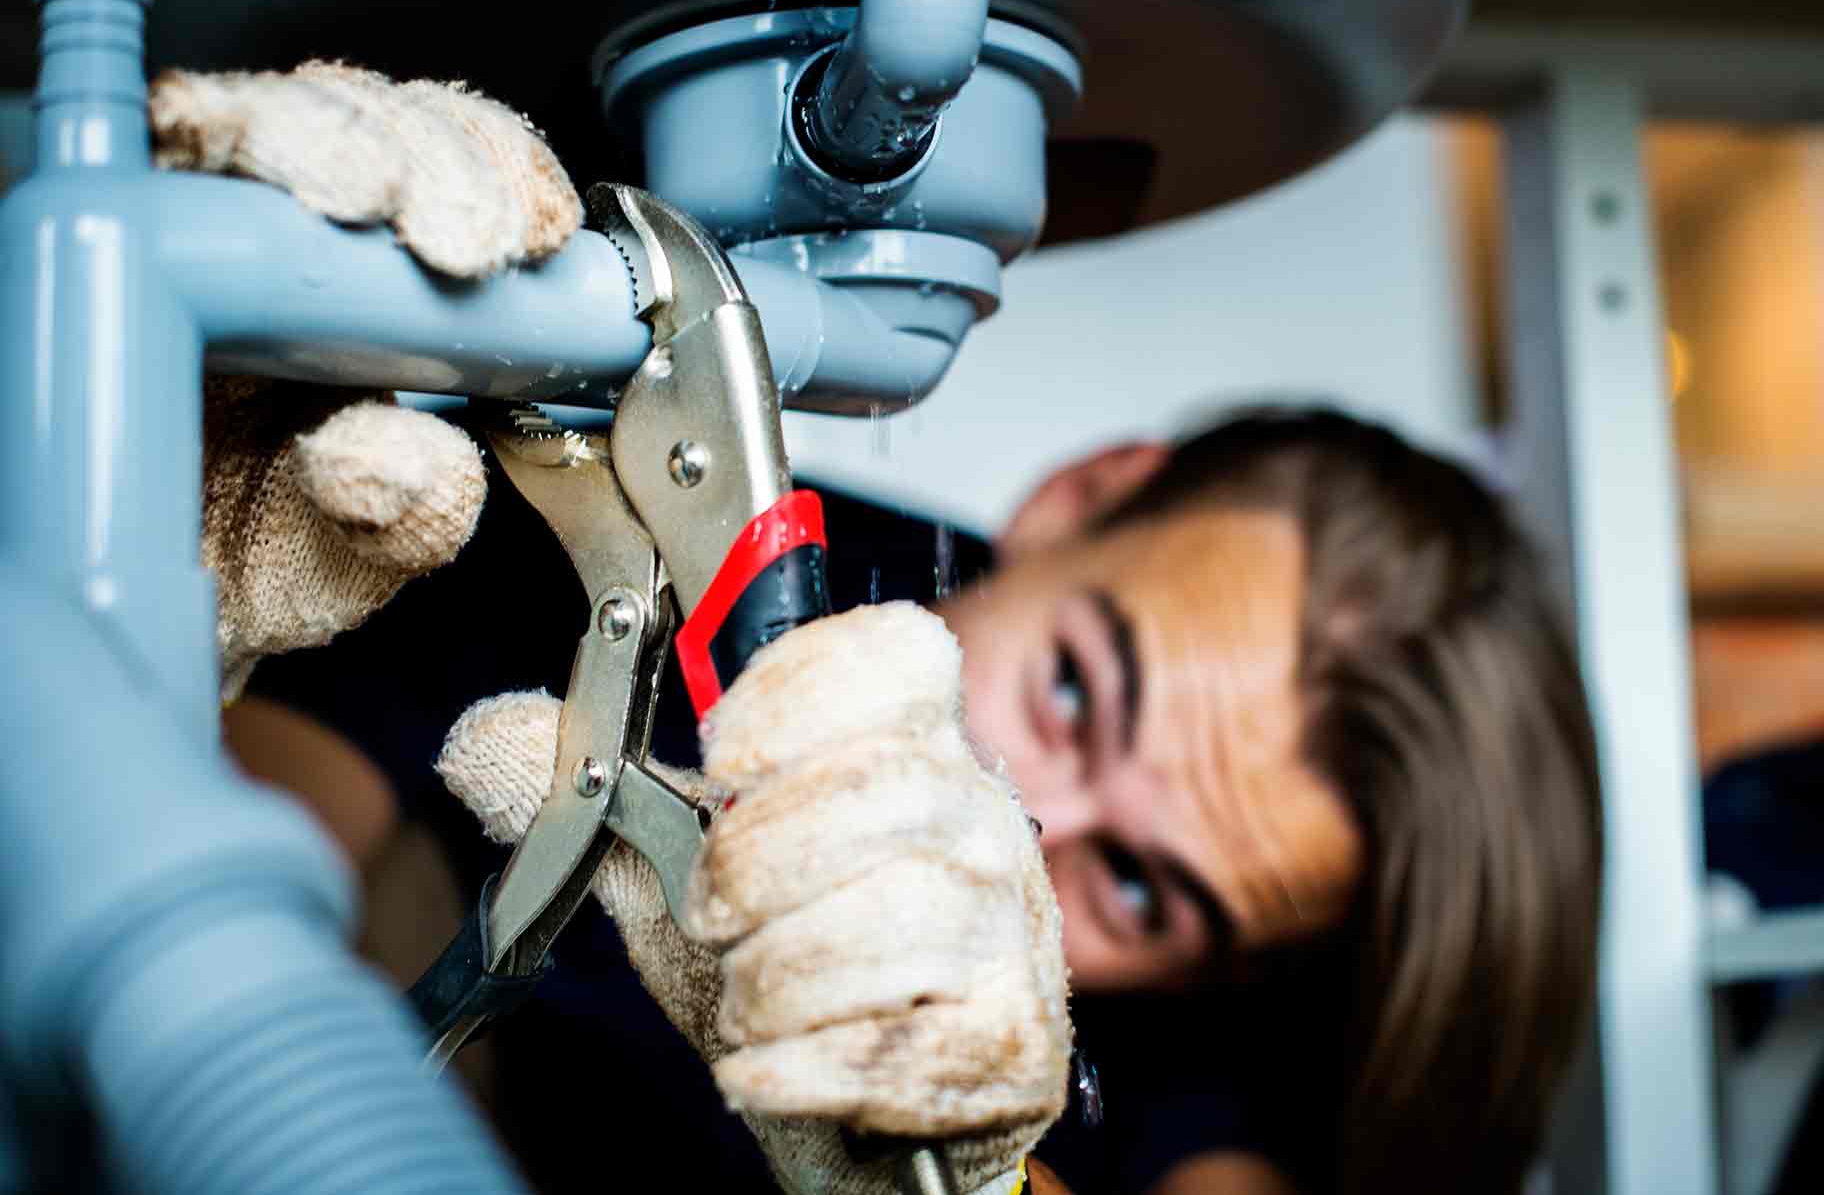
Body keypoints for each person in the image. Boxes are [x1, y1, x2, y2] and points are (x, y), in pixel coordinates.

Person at [173, 64, 1604, 1195]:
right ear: (1080, 499)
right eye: (1071, 694)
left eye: (1147, 896)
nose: (1014, 813)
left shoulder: (1173, 1046)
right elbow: (228, 866)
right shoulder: (588, 531)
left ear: (1216, 967)